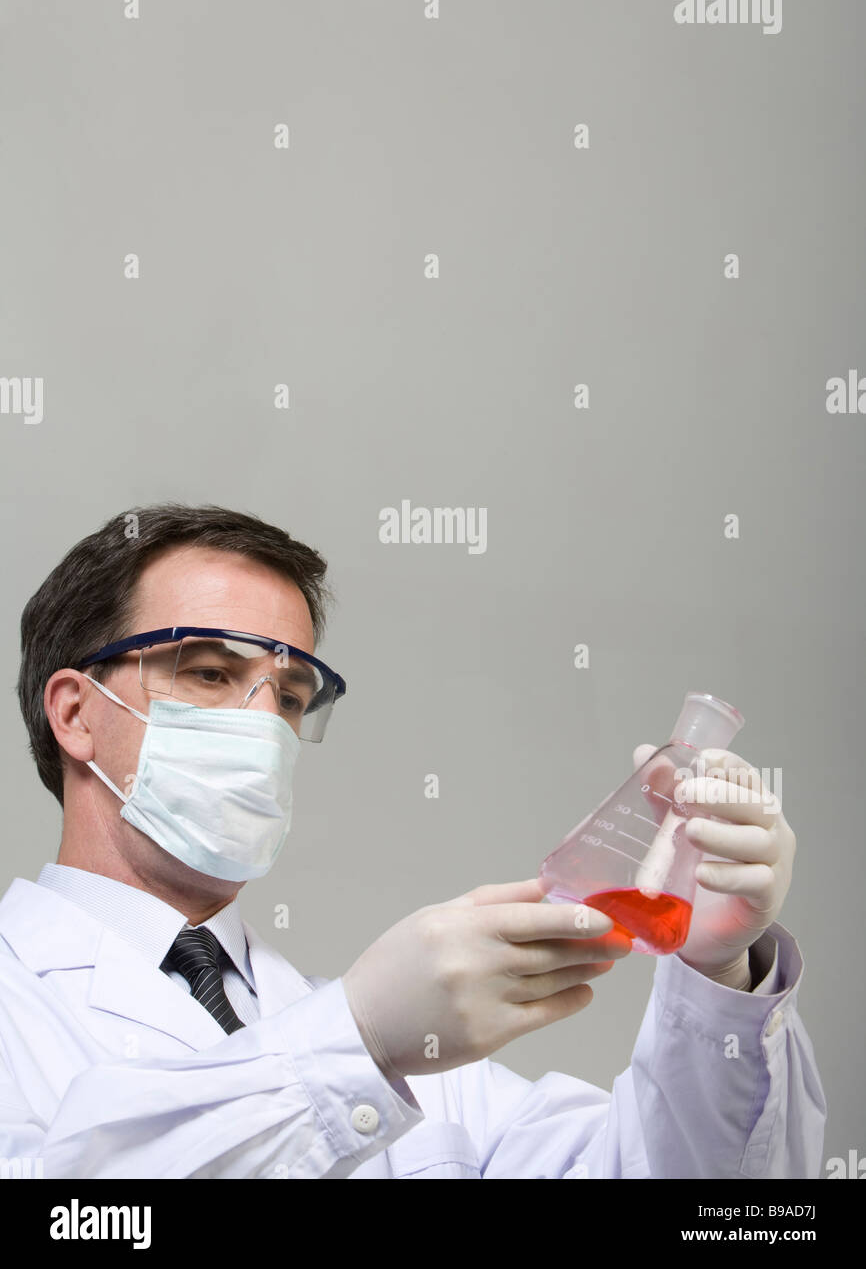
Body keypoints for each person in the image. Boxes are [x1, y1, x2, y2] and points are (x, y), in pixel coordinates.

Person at [0, 504, 825, 1179]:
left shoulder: (418, 1054)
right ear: (74, 713)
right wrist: (353, 1041)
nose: (264, 726)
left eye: (289, 695)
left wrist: (719, 980)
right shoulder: (20, 1005)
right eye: (210, 672)